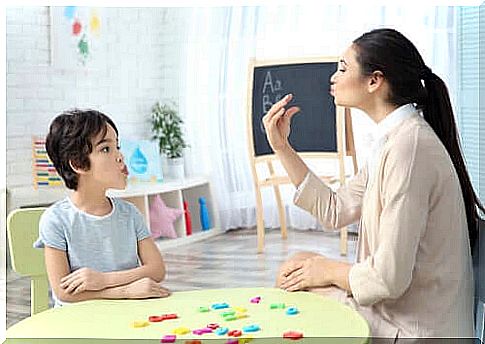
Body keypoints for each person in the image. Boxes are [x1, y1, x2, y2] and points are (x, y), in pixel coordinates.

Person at [263, 28, 483, 341]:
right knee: (296, 265)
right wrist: (282, 147)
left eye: (342, 68)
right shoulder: (394, 140)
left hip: (415, 330)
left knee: (298, 283)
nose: (333, 78)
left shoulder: (409, 148)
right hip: (398, 314)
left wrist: (325, 269)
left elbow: (387, 280)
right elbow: (335, 211)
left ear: (374, 81)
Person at [34, 109, 169, 307]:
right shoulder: (56, 219)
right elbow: (64, 293)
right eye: (106, 149)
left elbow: (157, 270)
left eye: (118, 146)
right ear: (79, 164)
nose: (120, 156)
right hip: (78, 322)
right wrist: (124, 291)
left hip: (128, 314)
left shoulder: (130, 214)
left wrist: (102, 280)